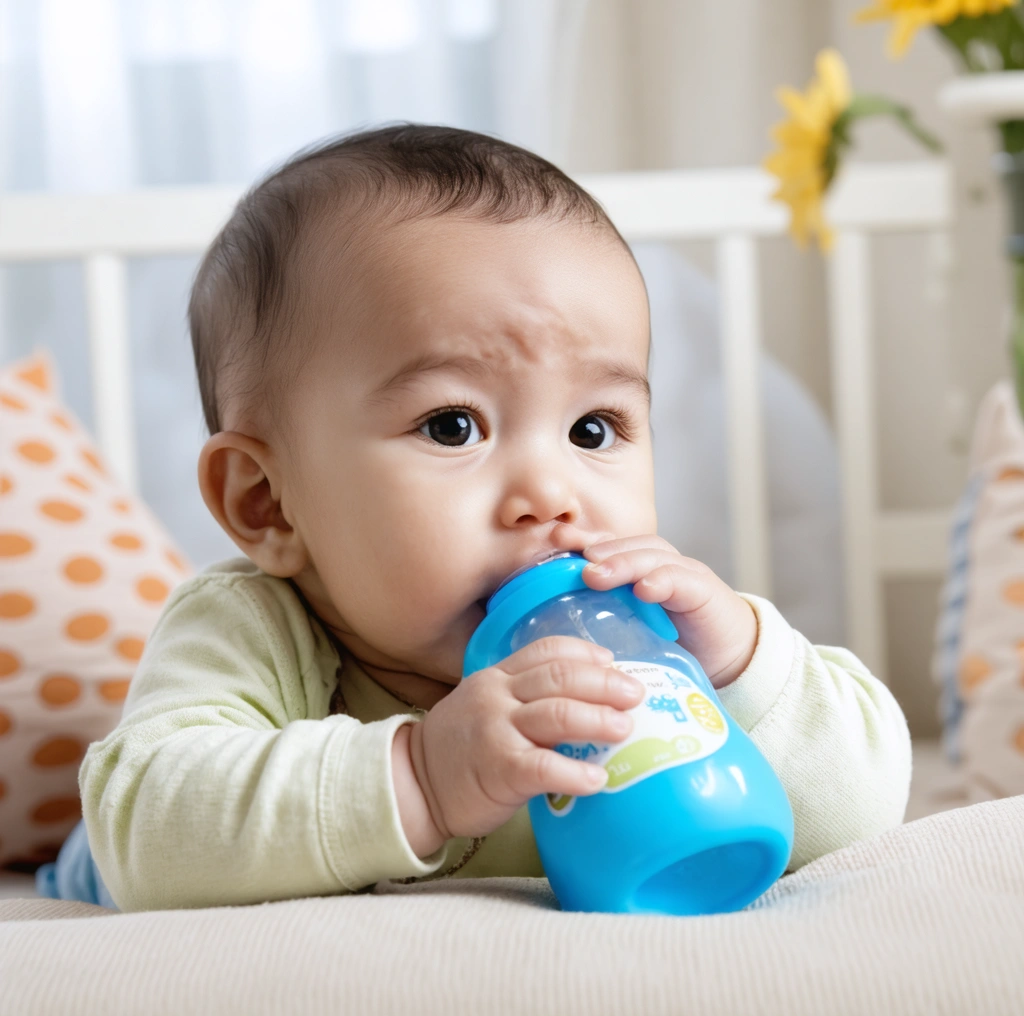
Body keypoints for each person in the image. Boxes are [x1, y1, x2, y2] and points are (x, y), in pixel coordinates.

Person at [42, 124, 911, 912]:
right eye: (452, 426)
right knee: (92, 843)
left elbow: (866, 802)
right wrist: (425, 774)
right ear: (267, 502)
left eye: (592, 429)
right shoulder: (253, 627)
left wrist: (742, 663)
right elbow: (148, 831)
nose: (552, 495)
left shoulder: (649, 648)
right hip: (94, 867)